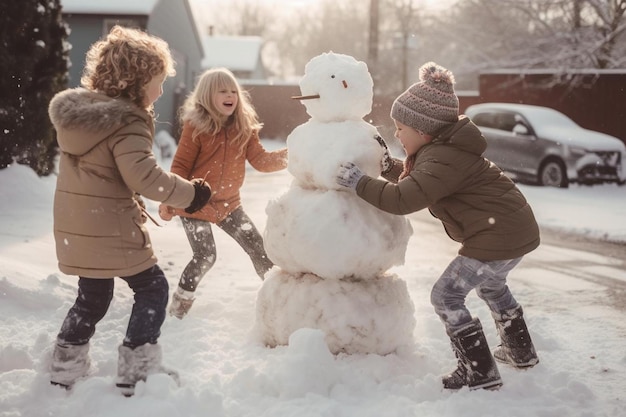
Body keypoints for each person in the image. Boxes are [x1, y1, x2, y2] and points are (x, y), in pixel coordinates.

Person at [336, 62, 540, 391]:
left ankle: (479, 371)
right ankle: (520, 351)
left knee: (446, 295)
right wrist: (390, 169)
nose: (398, 134)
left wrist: (360, 183)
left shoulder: (442, 158)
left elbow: (403, 199)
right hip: (516, 231)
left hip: (497, 237)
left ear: (424, 130)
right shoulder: (445, 152)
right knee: (492, 286)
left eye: (401, 128)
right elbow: (423, 183)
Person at [47, 25, 212, 395]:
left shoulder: (83, 117)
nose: (162, 90)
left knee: (92, 298)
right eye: (158, 81)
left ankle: (65, 365)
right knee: (153, 288)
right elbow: (145, 177)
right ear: (136, 82)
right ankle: (137, 369)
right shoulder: (127, 122)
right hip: (110, 229)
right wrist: (192, 195)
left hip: (79, 229)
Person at [158, 67, 288, 319]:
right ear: (207, 96)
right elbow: (181, 166)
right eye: (222, 91)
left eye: (234, 91)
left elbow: (261, 160)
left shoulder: (244, 127)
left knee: (259, 249)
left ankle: (279, 302)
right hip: (195, 203)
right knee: (205, 255)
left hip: (229, 204)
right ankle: (179, 306)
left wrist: (293, 154)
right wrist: (170, 199)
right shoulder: (196, 127)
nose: (230, 95)